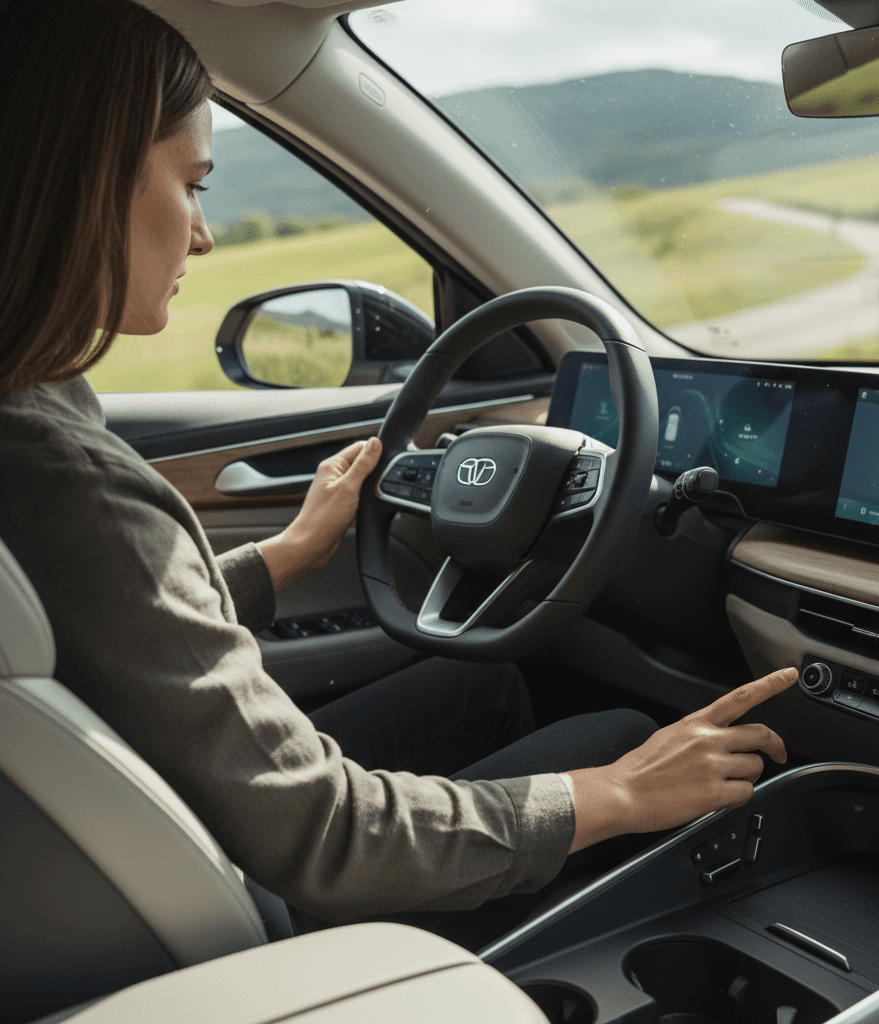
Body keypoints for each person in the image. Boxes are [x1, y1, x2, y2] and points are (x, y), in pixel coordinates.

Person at [0, 0, 797, 945]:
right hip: (236, 902)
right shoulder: (68, 478)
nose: (204, 236)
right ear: (85, 184)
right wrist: (619, 792)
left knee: (483, 685)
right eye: (193, 183)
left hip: (144, 837)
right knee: (626, 741)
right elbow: (329, 837)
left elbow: (112, 624)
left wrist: (291, 553)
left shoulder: (36, 420)